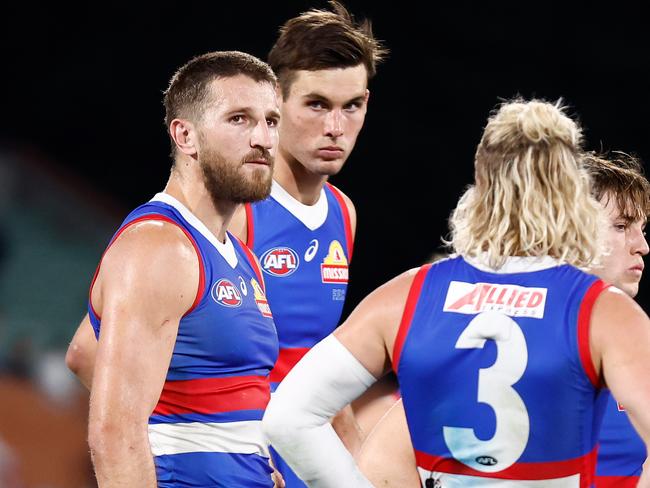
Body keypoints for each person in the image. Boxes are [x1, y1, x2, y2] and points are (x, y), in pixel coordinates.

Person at [263, 98, 650, 487]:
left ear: (480, 186)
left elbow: (289, 418)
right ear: (572, 198)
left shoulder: (409, 294)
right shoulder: (603, 311)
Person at [353, 152, 650, 487]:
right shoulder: (497, 352)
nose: (642, 246)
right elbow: (380, 468)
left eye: (641, 228)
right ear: (568, 227)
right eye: (621, 226)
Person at [70, 51, 281, 487]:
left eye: (271, 121)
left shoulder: (240, 257)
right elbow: (114, 434)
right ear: (186, 136)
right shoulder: (160, 247)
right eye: (240, 119)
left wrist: (247, 458)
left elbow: (83, 353)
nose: (263, 138)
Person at [227, 3, 388, 486]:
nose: (335, 128)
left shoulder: (343, 213)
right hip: (240, 465)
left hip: (304, 462)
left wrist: (366, 463)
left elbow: (317, 366)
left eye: (351, 107)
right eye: (316, 105)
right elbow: (104, 353)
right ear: (274, 101)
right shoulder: (233, 207)